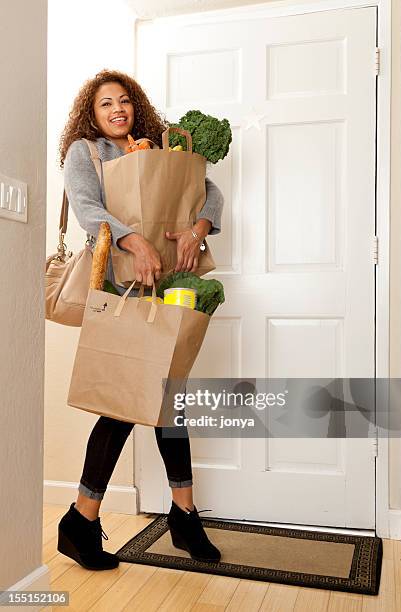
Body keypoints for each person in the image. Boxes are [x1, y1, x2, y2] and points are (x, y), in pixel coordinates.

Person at [56, 69, 224, 571]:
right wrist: (135, 240)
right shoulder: (85, 154)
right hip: (120, 286)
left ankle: (180, 512)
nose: (117, 109)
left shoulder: (158, 148)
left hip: (168, 283)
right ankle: (84, 519)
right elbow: (87, 210)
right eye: (106, 103)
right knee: (125, 403)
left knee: (169, 396)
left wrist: (197, 230)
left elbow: (208, 190)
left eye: (124, 101)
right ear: (92, 112)